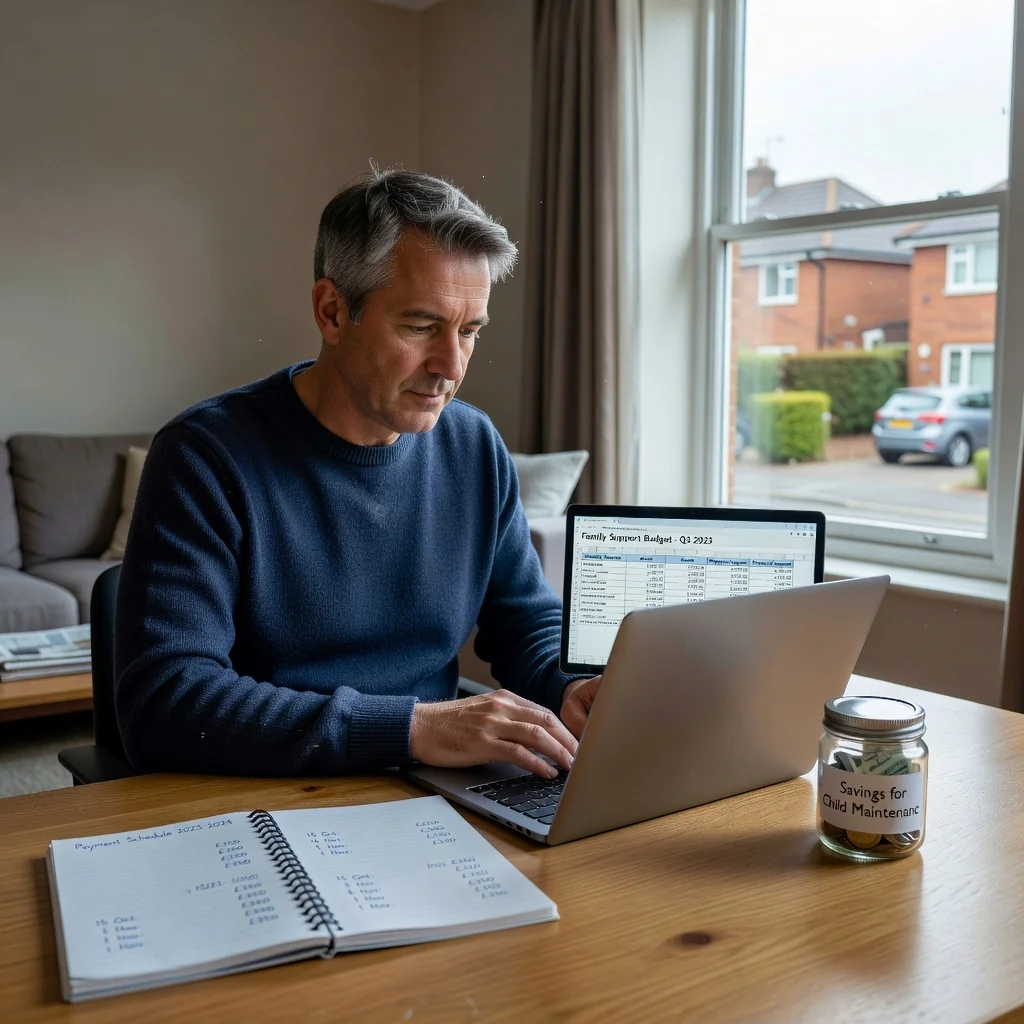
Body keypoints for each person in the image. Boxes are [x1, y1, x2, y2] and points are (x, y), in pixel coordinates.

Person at [114, 170, 601, 779]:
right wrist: (412, 727)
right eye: (421, 327)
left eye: (470, 331)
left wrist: (571, 685)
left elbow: (523, 619)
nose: (451, 366)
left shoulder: (475, 446)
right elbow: (164, 702)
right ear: (333, 311)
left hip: (434, 783)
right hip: (264, 789)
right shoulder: (203, 458)